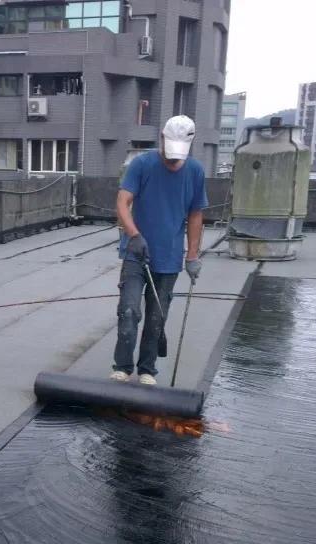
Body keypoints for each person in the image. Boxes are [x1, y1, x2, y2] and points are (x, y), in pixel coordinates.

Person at [111, 115, 207, 385]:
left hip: (169, 257)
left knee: (157, 317)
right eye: (169, 154)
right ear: (162, 139)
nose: (172, 161)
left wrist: (192, 255)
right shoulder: (142, 164)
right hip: (135, 253)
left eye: (178, 158)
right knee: (129, 311)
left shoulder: (196, 172)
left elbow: (196, 214)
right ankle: (122, 367)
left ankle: (146, 370)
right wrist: (134, 235)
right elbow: (122, 201)